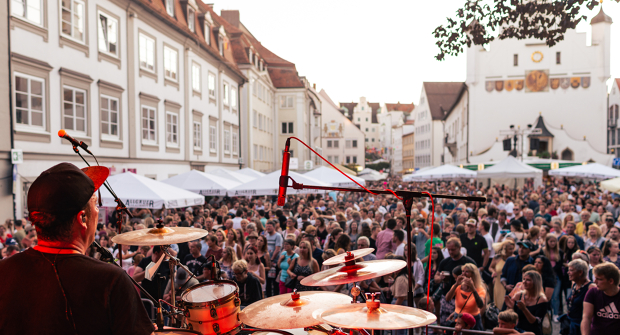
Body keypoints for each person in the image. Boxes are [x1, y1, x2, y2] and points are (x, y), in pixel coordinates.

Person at [0, 163, 154, 334]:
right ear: (82, 218)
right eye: (96, 205)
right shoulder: (110, 281)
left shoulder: (3, 272)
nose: (97, 211)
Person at [504, 271, 549, 335]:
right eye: (524, 279)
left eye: (528, 280)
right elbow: (510, 319)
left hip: (533, 333)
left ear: (536, 282)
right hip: (519, 331)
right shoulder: (518, 295)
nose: (524, 282)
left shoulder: (542, 299)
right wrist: (510, 308)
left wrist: (524, 309)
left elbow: (535, 322)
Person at [445, 263, 487, 330]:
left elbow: (481, 305)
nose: (463, 274)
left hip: (472, 321)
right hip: (458, 320)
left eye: (467, 272)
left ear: (473, 275)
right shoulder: (458, 286)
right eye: (463, 271)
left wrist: (473, 289)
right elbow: (447, 299)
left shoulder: (480, 289)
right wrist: (456, 284)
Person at [582, 263, 620, 335]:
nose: (595, 281)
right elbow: (586, 317)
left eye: (599, 279)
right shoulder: (593, 292)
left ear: (611, 281)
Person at [562, 259, 596, 335]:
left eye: (571, 270)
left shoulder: (591, 287)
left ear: (580, 272)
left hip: (581, 326)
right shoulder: (575, 285)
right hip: (571, 324)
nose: (568, 272)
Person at [490, 239, 516, 309]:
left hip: (509, 284)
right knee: (498, 304)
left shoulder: (514, 259)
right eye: (510, 249)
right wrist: (493, 272)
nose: (512, 251)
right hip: (498, 283)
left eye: (513, 249)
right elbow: (490, 267)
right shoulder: (497, 258)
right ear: (505, 249)